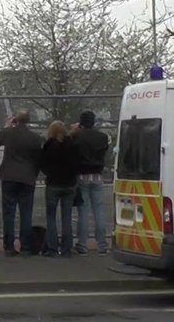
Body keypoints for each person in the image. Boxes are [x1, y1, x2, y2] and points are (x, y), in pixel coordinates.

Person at [0, 111, 42, 256]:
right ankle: (25, 246)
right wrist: (33, 173)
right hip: (27, 177)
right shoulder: (34, 137)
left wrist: (6, 126)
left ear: (15, 120)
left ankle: (9, 246)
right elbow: (38, 158)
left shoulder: (8, 133)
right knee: (26, 213)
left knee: (9, 213)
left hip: (9, 176)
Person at [72, 110, 111, 254]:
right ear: (93, 122)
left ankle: (82, 244)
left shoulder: (77, 137)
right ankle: (102, 245)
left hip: (82, 174)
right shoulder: (102, 137)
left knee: (83, 211)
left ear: (81, 122)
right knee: (99, 210)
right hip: (97, 175)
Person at [39, 121, 79, 258]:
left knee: (51, 217)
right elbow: (77, 164)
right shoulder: (72, 144)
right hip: (69, 184)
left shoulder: (49, 145)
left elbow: (43, 163)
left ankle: (53, 248)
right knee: (67, 217)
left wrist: (49, 173)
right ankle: (67, 248)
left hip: (53, 183)